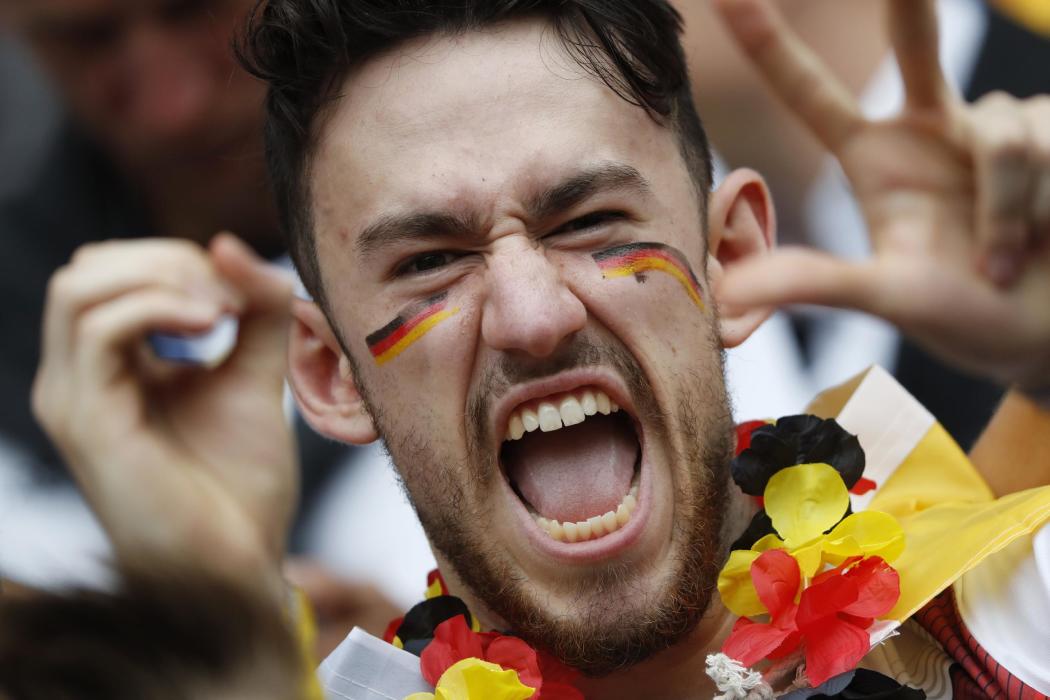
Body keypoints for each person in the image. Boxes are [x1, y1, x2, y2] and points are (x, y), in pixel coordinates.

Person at [30, 0, 1050, 697]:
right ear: (331, 372)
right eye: (431, 258)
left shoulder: (1014, 616)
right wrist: (222, 591)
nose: (531, 314)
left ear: (732, 255)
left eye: (589, 222)